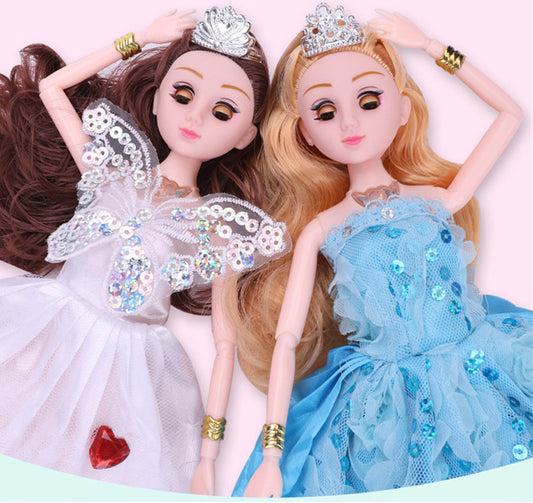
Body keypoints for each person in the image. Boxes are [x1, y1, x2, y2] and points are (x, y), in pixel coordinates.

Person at [232, 4, 532, 497]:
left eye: (369, 100)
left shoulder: (437, 199)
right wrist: (271, 454)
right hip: (392, 398)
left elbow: (511, 114)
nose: (349, 121)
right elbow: (286, 341)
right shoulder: (323, 229)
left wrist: (432, 47)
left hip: (481, 365)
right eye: (325, 112)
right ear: (306, 133)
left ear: (403, 110)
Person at [0, 6, 290, 494]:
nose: (196, 116)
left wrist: (208, 456)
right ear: (156, 100)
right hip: (52, 324)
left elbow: (225, 346)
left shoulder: (215, 228)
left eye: (223, 111)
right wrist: (140, 37)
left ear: (245, 136)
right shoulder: (112, 168)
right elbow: (52, 89)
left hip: (128, 364)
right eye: (183, 94)